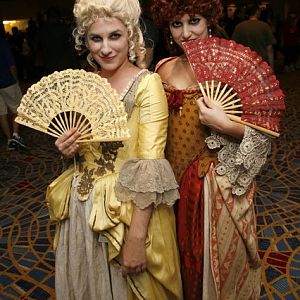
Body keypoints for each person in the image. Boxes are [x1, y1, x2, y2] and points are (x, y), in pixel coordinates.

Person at [46, 0, 183, 299]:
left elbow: (150, 164)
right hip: (80, 211)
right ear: (86, 41)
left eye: (115, 36)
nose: (105, 48)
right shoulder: (86, 83)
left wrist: (136, 238)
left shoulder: (147, 84)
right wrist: (67, 150)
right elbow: (82, 149)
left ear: (131, 36)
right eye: (96, 38)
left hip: (127, 210)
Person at [151, 0, 272, 299]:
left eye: (194, 21)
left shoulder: (232, 67)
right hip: (169, 182)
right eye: (176, 24)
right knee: (173, 258)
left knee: (209, 261)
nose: (186, 33)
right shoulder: (162, 68)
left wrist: (225, 125)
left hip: (213, 186)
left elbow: (262, 138)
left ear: (209, 22)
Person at [0, 23, 27, 150]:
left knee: (2, 113)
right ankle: (15, 135)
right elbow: (11, 65)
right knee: (17, 109)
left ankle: (9, 139)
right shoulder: (2, 44)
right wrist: (16, 80)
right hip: (7, 82)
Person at [232, 3, 276, 69]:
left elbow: (234, 46)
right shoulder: (264, 26)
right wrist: (271, 67)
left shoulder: (239, 27)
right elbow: (269, 49)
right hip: (261, 62)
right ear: (257, 12)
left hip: (245, 63)